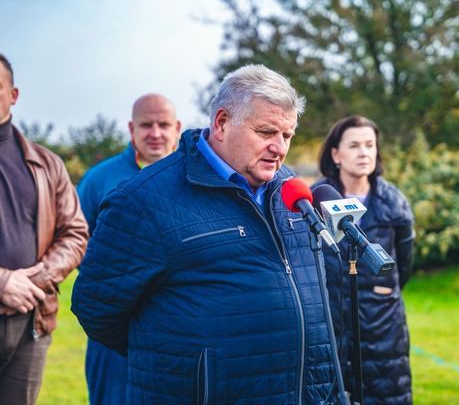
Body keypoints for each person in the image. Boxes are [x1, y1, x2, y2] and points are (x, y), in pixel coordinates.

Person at [71, 64, 340, 404]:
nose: (279, 147)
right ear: (222, 123)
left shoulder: (290, 190)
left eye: (287, 136)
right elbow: (96, 307)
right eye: (266, 132)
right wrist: (183, 362)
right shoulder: (142, 201)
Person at [77, 93, 182, 405]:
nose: (155, 133)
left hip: (178, 324)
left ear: (177, 128)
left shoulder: (193, 178)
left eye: (163, 125)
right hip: (115, 326)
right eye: (146, 125)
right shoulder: (99, 179)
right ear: (131, 128)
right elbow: (76, 238)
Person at [0, 53, 88, 404]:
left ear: (13, 95)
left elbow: (75, 232)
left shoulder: (46, 164)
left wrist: (33, 281)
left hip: (29, 323)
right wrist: (2, 282)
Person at [312, 115, 415, 404]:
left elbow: (404, 265)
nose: (364, 153)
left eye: (370, 145)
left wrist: (381, 293)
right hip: (329, 323)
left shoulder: (393, 202)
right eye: (354, 145)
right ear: (336, 154)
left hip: (383, 325)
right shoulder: (315, 199)